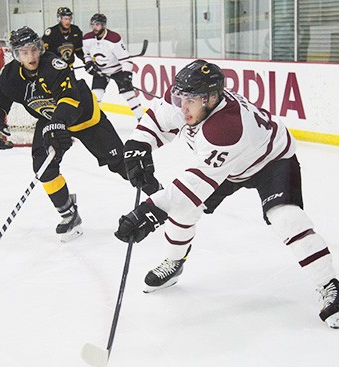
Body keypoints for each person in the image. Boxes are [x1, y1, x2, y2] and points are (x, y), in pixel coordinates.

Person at [114, 59, 339, 328]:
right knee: (184, 210)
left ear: (210, 99)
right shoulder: (187, 100)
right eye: (180, 97)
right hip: (229, 165)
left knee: (287, 218)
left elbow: (191, 188)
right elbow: (157, 120)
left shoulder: (226, 128)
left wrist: (147, 212)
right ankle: (174, 262)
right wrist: (139, 145)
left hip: (272, 160)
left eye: (191, 100)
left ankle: (330, 286)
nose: (182, 106)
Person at [0, 26, 138, 242]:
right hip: (50, 119)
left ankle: (159, 196)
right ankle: (69, 214)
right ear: (16, 54)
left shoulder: (54, 65)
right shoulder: (9, 76)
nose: (31, 57)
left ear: (40, 48)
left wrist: (57, 125)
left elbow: (69, 100)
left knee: (120, 162)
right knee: (43, 168)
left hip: (85, 118)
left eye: (33, 50)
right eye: (24, 52)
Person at [82, 13, 144, 122]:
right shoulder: (87, 39)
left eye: (97, 24)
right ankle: (93, 122)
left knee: (130, 96)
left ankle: (143, 120)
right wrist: (89, 64)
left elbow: (126, 60)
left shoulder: (113, 39)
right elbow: (86, 55)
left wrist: (126, 74)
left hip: (117, 71)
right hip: (100, 72)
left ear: (104, 25)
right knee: (95, 98)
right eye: (93, 24)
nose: (94, 27)